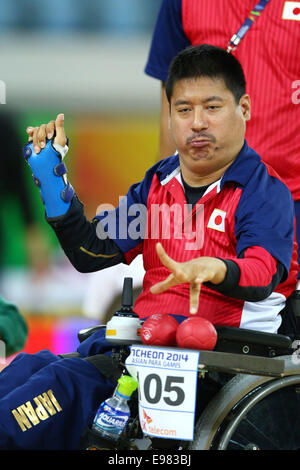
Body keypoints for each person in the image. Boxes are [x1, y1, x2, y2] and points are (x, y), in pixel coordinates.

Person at [0, 44, 296, 450]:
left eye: (212, 107)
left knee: (58, 387)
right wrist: (52, 182)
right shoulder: (156, 186)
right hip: (140, 352)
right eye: (184, 109)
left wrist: (215, 269)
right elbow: (92, 253)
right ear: (170, 114)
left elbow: (264, 273)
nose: (197, 124)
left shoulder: (264, 193)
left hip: (216, 363)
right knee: (28, 367)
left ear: (243, 108)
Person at [144, 0, 300, 268]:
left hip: (293, 197)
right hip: (210, 201)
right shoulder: (180, 3)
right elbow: (171, 102)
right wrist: (165, 201)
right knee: (204, 303)